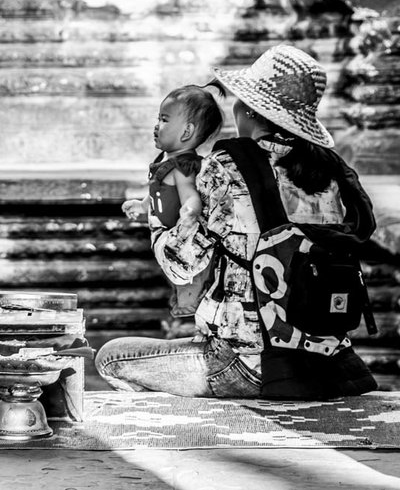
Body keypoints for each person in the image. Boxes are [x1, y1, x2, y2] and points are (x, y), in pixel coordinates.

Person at [95, 44, 377, 399]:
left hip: (246, 363)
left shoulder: (227, 166)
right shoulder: (332, 172)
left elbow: (179, 265)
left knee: (110, 358)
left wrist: (156, 213)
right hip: (327, 363)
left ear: (250, 108)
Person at [122, 83, 224, 319]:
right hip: (168, 237)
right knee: (180, 281)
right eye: (158, 118)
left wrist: (189, 212)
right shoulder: (164, 162)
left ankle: (193, 310)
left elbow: (189, 195)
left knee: (192, 282)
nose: (157, 125)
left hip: (182, 239)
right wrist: (143, 205)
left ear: (186, 132)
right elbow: (158, 189)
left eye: (165, 120)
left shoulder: (183, 167)